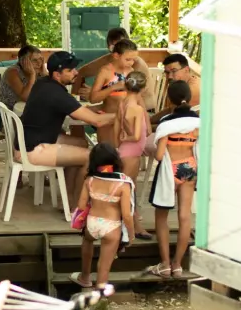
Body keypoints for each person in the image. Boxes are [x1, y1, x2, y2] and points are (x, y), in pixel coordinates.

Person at [18, 51, 115, 206]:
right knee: (92, 157)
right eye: (70, 70)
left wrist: (101, 109)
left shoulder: (44, 83)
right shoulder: (57, 94)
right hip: (33, 150)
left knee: (81, 144)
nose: (76, 72)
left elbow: (76, 114)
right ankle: (77, 205)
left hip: (28, 141)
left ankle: (67, 198)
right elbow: (97, 122)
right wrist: (123, 113)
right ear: (57, 75)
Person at [145, 80, 200, 279]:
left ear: (170, 100)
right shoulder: (198, 122)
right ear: (190, 98)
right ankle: (178, 265)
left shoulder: (166, 123)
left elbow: (160, 155)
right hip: (189, 168)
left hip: (171, 169)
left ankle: (165, 264)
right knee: (185, 217)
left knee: (162, 217)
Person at [70, 143, 135, 290]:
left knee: (87, 240)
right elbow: (126, 215)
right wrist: (131, 234)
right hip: (111, 227)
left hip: (92, 223)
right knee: (103, 266)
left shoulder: (90, 180)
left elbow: (81, 206)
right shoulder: (123, 184)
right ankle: (99, 295)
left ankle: (84, 277)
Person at [72, 27, 158, 111]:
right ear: (110, 48)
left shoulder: (133, 63)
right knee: (79, 111)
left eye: (123, 45)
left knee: (85, 112)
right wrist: (74, 96)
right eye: (115, 47)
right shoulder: (111, 58)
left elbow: (131, 94)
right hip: (117, 106)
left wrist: (98, 93)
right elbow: (81, 72)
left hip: (141, 107)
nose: (119, 49)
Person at [115, 71, 153, 239]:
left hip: (125, 150)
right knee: (129, 190)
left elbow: (116, 127)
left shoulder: (122, 104)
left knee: (127, 188)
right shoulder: (137, 109)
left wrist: (119, 143)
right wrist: (126, 138)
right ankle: (134, 227)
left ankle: (130, 225)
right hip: (132, 151)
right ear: (143, 89)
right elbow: (137, 136)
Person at [87, 38, 138, 146]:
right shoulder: (105, 71)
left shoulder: (131, 71)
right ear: (116, 56)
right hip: (108, 119)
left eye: (133, 60)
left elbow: (137, 97)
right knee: (108, 151)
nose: (131, 63)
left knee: (125, 152)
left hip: (127, 119)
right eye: (128, 59)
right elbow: (93, 98)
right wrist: (113, 87)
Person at [0, 45, 45, 131]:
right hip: (5, 116)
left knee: (51, 125)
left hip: (28, 113)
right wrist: (32, 75)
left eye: (40, 59)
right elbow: (26, 97)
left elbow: (50, 91)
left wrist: (44, 73)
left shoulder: (38, 70)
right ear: (23, 61)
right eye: (34, 60)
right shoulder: (12, 72)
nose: (39, 63)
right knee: (32, 131)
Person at [149, 53, 201, 127]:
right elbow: (170, 109)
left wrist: (147, 126)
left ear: (186, 70)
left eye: (174, 71)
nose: (169, 76)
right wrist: (149, 121)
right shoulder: (182, 86)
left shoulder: (190, 90)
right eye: (167, 73)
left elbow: (172, 122)